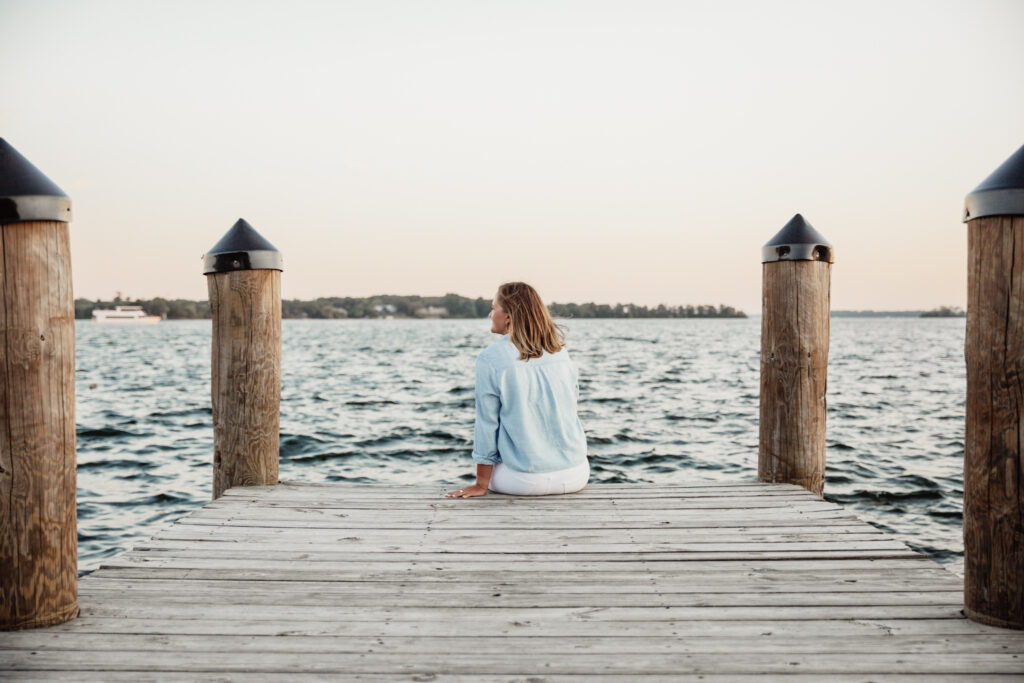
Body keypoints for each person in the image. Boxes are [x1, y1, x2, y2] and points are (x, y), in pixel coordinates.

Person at [446, 282, 589, 498]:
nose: (490, 314)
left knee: (497, 467)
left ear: (509, 317)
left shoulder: (490, 358)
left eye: (494, 308)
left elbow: (487, 424)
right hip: (576, 474)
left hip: (525, 481)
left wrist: (481, 484)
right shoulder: (560, 352)